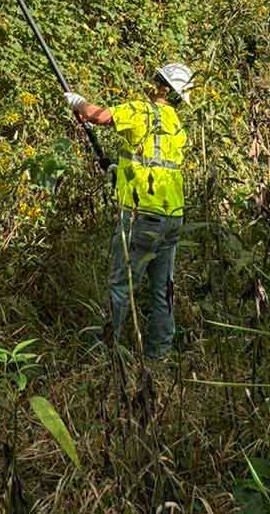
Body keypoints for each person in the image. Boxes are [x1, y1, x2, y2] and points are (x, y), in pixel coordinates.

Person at [65, 63, 192, 360]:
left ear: (160, 86)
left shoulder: (141, 110)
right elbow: (154, 162)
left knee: (121, 286)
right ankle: (159, 354)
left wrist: (77, 101)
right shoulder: (177, 124)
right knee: (162, 289)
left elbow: (98, 116)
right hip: (173, 216)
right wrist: (117, 170)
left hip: (142, 216)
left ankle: (104, 354)